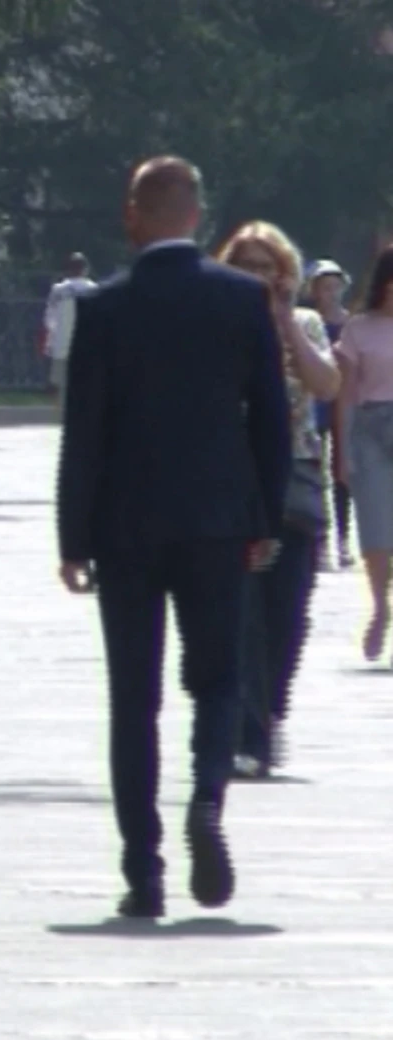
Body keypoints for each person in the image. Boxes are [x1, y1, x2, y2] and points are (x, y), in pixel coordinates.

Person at [56, 156, 291, 919]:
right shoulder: (243, 299)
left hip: (125, 528)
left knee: (134, 697)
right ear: (197, 215)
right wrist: (261, 516)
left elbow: (82, 436)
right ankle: (209, 797)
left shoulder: (105, 310)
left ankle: (144, 873)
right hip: (219, 522)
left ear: (133, 215)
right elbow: (271, 418)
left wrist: (73, 536)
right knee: (220, 678)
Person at [215, 223, 340, 780]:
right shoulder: (214, 323)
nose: (259, 277)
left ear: (286, 274)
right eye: (248, 265)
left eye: (269, 267)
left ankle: (269, 713)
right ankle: (245, 734)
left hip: (295, 481)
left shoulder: (305, 323)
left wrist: (286, 322)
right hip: (232, 485)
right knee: (240, 614)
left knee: (287, 615)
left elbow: (328, 384)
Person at [334, 244, 393, 660]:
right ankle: (380, 605)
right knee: (375, 524)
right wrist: (341, 451)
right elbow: (345, 394)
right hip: (370, 428)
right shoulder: (358, 328)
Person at [308, 259, 355, 569]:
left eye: (335, 286)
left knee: (342, 472)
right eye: (325, 287)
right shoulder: (308, 323)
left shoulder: (351, 323)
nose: (331, 293)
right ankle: (320, 538)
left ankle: (341, 537)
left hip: (344, 401)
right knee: (314, 469)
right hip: (315, 401)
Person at [42, 251, 99, 408]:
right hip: (86, 344)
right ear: (85, 269)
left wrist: (51, 339)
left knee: (58, 382)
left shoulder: (58, 290)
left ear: (68, 269)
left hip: (62, 343)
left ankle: (58, 413)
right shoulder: (93, 289)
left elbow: (49, 317)